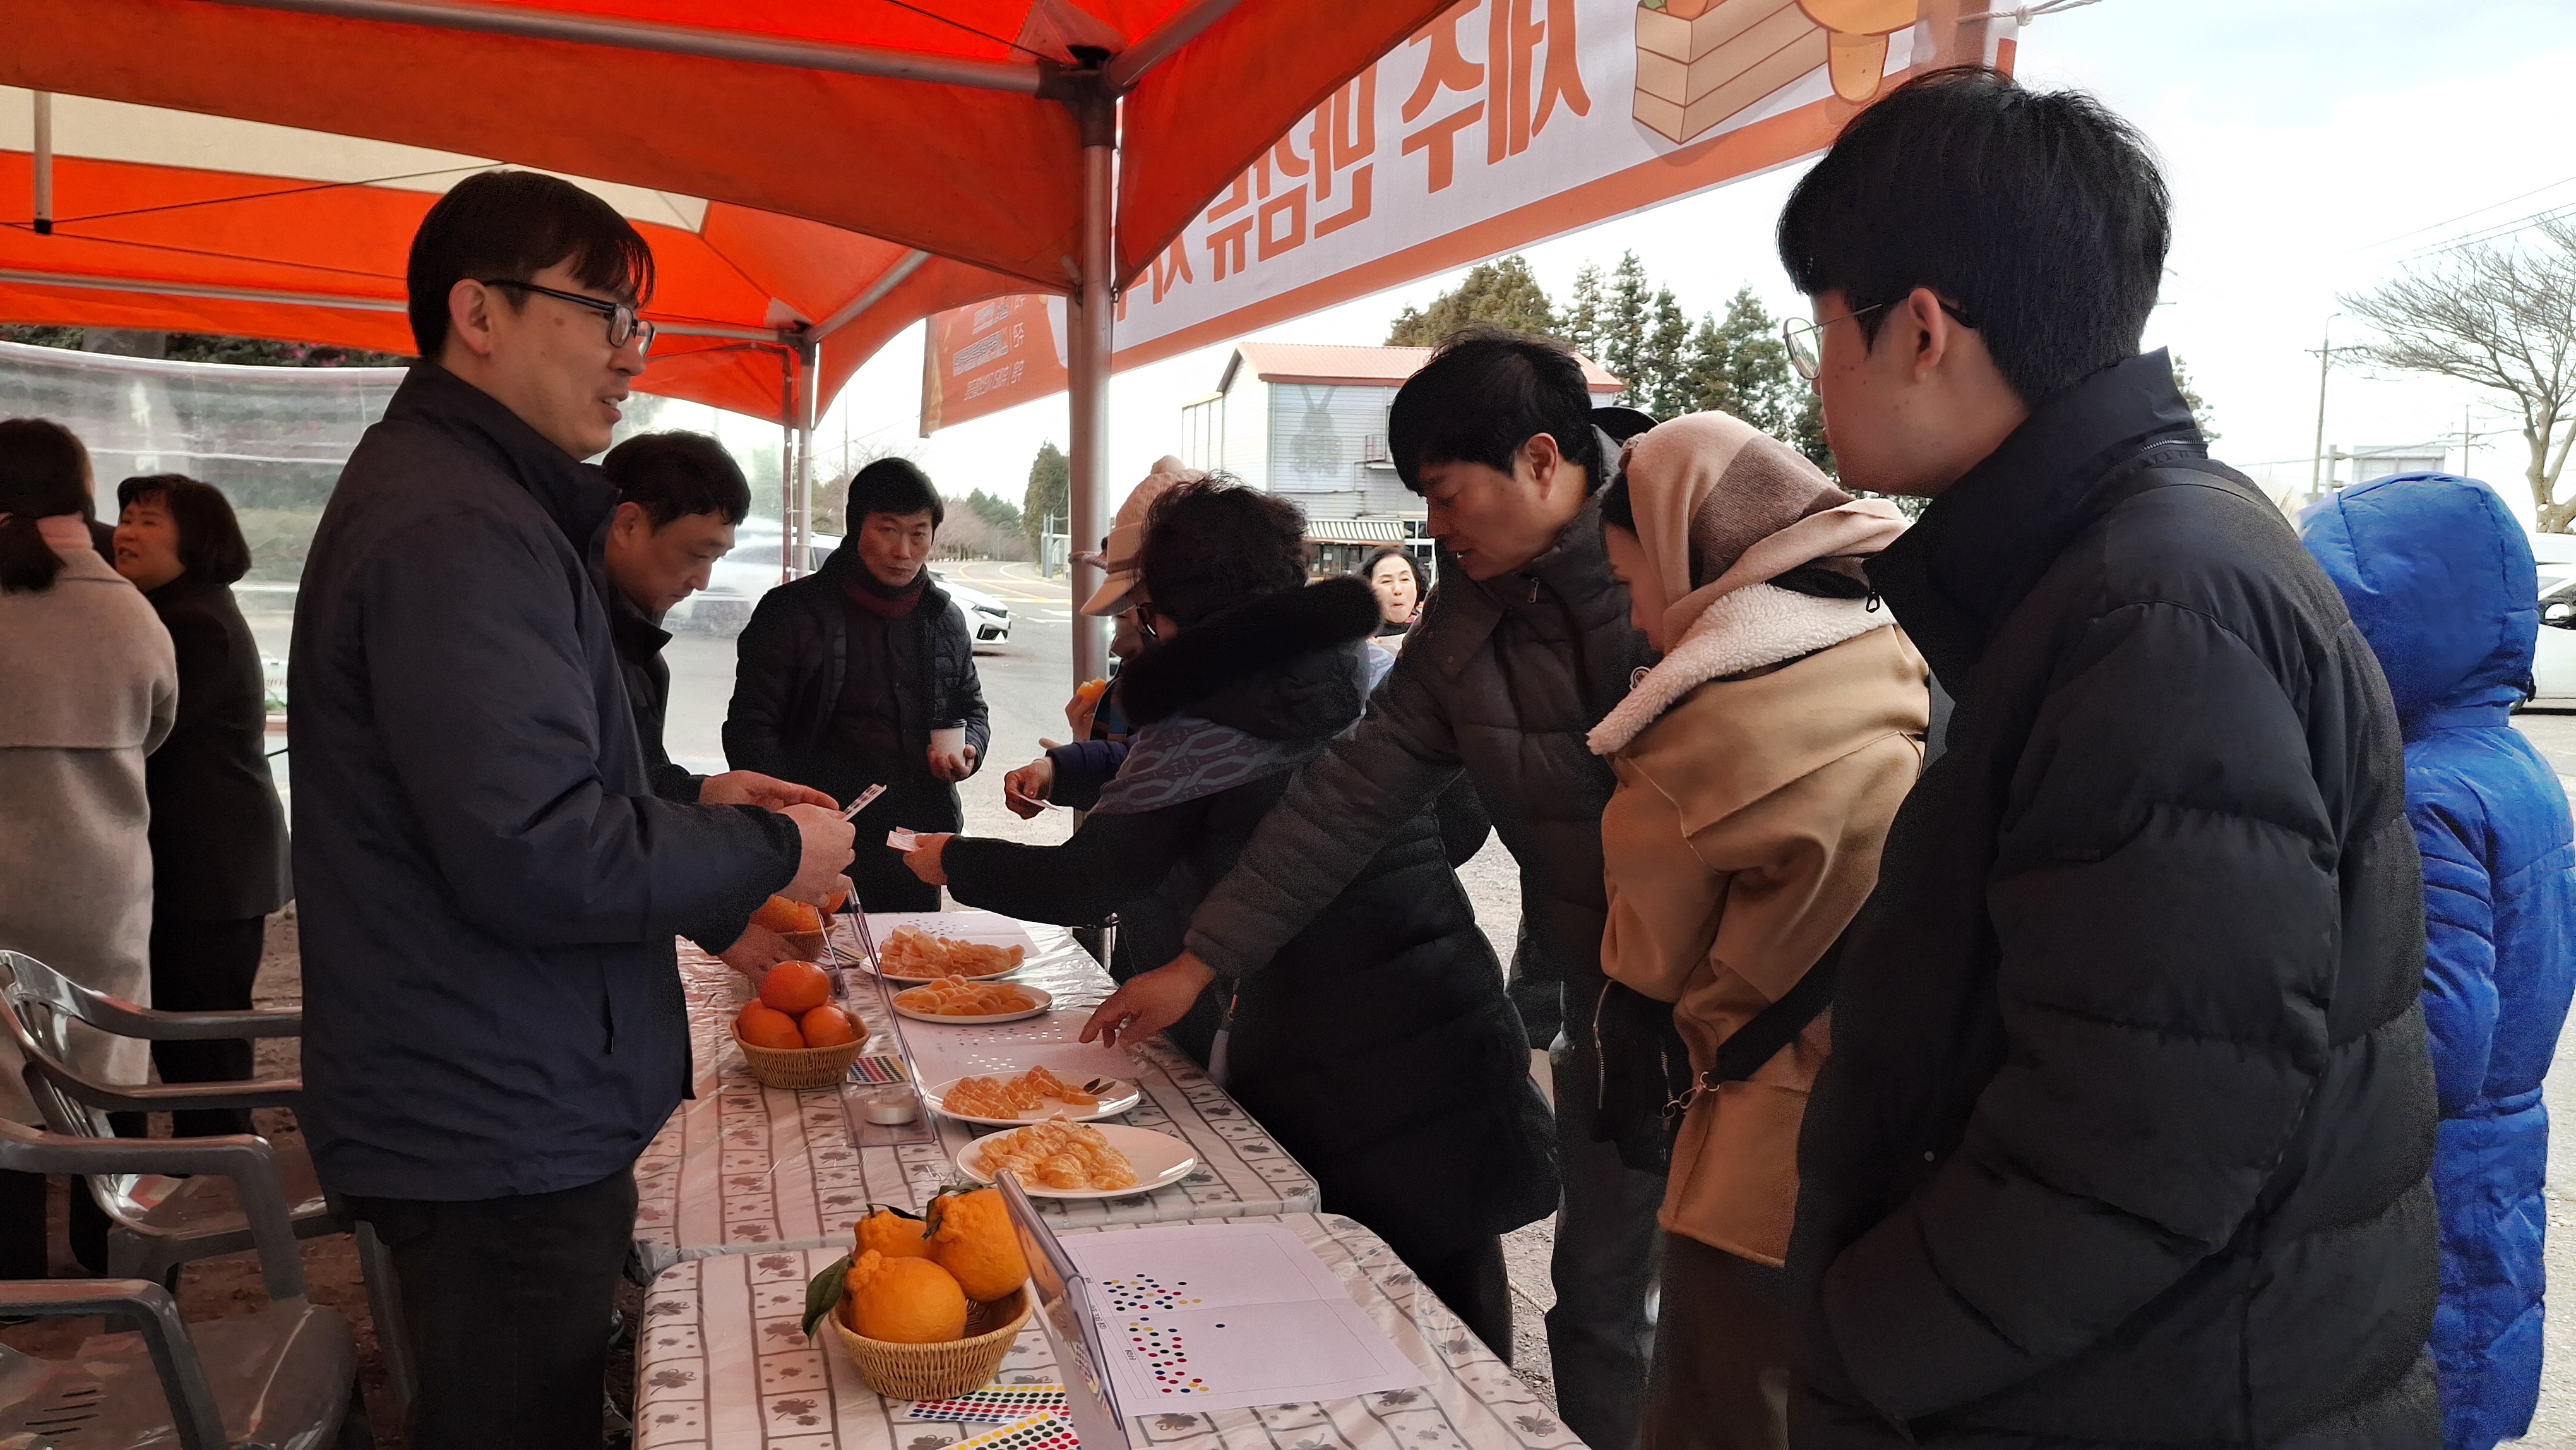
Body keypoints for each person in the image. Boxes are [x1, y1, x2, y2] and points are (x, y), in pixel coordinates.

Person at [1777, 68, 2438, 1447]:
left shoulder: (2152, 600)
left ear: (1921, 330)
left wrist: (1862, 1337)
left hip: (2149, 1388)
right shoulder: (2128, 554)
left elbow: (2147, 1133)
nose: (1818, 366)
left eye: (1821, 324)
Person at [289, 170, 853, 1450]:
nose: (628, 356)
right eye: (604, 314)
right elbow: (536, 849)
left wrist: (698, 800)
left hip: (504, 1083)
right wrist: (773, 846)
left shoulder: (480, 497)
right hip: (491, 1107)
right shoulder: (454, 524)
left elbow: (526, 781)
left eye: (637, 325)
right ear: (477, 313)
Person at [1099, 327, 1665, 1450]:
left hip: (1748, 1012)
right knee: (1600, 1312)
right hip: (1616, 1013)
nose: (1433, 528)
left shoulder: (1677, 553)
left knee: (1741, 1315)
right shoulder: (1470, 608)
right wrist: (1201, 959)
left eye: (1446, 497)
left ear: (1544, 461)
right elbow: (1353, 792)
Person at [903, 477, 1557, 1355]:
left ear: (1177, 613)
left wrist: (952, 859)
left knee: (1348, 1302)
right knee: (1455, 1292)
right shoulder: (1371, 683)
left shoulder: (1200, 731)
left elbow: (1084, 886)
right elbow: (1462, 826)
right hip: (1449, 1012)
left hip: (1324, 1058)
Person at [1588, 414, 1923, 1450]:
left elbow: (1648, 957)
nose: (1642, 617)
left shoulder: (1694, 728)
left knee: (1725, 1407)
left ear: (1687, 543)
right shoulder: (1898, 646)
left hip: (1768, 1144)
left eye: (1630, 576)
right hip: (1917, 1117)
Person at [2300, 474, 2576, 1450]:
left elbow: (2442, 1040)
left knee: (2427, 1392)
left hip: (2435, 1171)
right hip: (2505, 1138)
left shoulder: (2421, 791)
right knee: (2478, 1354)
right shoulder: (2513, 763)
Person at [0, 418, 174, 1278]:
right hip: (102, 889)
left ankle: (20, 1287)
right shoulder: (134, 614)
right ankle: (120, 1259)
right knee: (109, 1068)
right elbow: (157, 730)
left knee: (1, 1102)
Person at [108, 473, 290, 1139]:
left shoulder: (189, 622)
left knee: (204, 1045)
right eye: (124, 516)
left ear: (198, 538)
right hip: (208, 866)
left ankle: (215, 1188)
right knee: (192, 1040)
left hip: (209, 871)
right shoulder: (189, 607)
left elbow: (142, 737)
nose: (127, 532)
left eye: (149, 520)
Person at [726, 457, 989, 913]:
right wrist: (789, 822)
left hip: (914, 840)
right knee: (817, 968)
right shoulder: (792, 613)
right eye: (888, 530)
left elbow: (973, 708)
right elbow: (752, 729)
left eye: (918, 533)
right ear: (855, 527)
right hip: (821, 837)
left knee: (912, 965)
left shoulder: (943, 618)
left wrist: (970, 751)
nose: (903, 550)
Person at [597, 430, 800, 978]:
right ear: (629, 524)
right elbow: (590, 837)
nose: (703, 580)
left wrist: (706, 792)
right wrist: (727, 918)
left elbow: (633, 783)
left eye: (718, 557)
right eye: (695, 554)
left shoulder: (634, 646)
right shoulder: (569, 638)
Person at [1359, 545, 1424, 644]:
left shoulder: (1433, 633)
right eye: (1386, 581)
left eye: (1405, 579)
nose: (1397, 590)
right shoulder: (1354, 641)